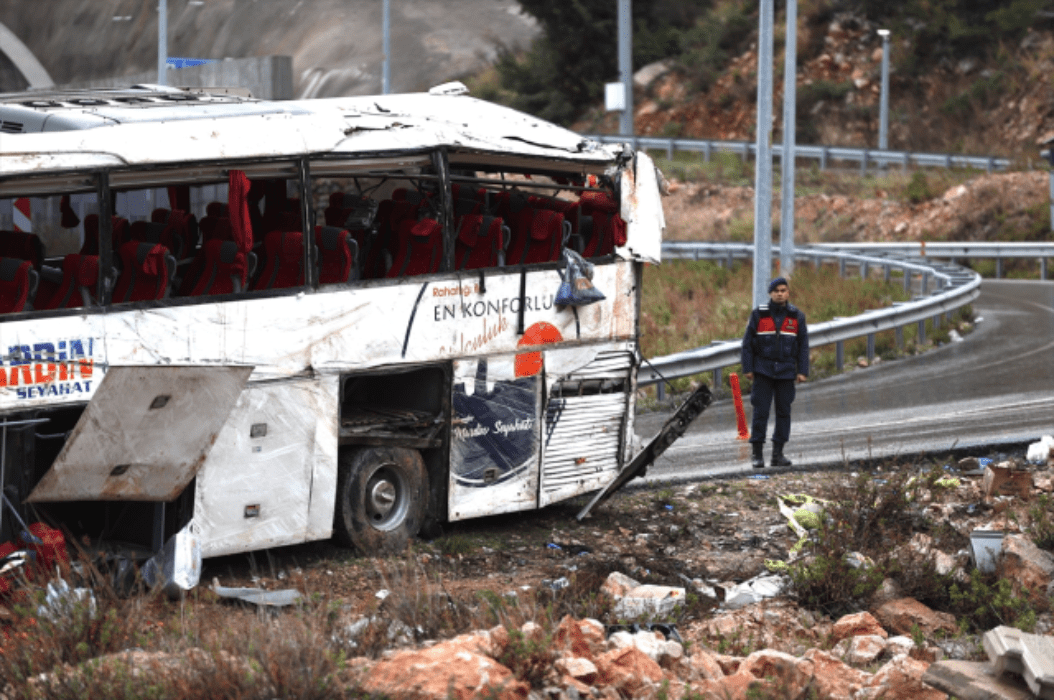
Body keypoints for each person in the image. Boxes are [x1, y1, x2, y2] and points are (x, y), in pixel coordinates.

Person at [740, 277, 809, 469]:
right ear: (771, 293)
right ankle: (757, 455)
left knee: (783, 412)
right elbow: (747, 344)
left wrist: (802, 370)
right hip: (763, 371)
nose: (780, 293)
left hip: (786, 372)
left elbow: (803, 345)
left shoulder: (796, 316)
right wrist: (748, 368)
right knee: (760, 412)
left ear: (788, 293)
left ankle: (778, 454)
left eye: (783, 290)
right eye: (776, 290)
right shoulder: (759, 315)